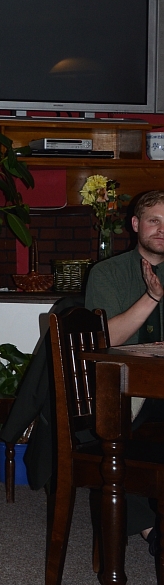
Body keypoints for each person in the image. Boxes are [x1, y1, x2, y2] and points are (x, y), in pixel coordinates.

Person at [85, 189, 164, 543]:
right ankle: (151, 531)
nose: (161, 230)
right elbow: (105, 340)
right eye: (154, 221)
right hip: (120, 393)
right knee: (116, 436)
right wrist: (151, 297)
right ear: (135, 225)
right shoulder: (107, 273)